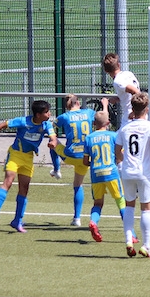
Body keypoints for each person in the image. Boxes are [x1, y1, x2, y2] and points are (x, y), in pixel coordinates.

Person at [0, 100, 58, 233]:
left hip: (28, 158)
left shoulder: (46, 124)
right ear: (38, 114)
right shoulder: (23, 121)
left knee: (24, 188)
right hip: (15, 154)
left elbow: (53, 137)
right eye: (46, 112)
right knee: (8, 181)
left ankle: (17, 220)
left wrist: (53, 142)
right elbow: (2, 125)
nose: (49, 114)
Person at [117, 91, 150, 258]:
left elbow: (117, 150)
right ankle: (146, 245)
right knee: (146, 207)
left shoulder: (125, 127)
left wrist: (122, 163)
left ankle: (128, 241)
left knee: (129, 205)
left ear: (132, 108)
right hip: (145, 173)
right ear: (147, 108)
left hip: (127, 172)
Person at [52, 94, 98, 226]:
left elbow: (51, 127)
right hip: (86, 157)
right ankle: (77, 219)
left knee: (53, 142)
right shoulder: (88, 112)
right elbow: (101, 118)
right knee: (78, 185)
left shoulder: (64, 116)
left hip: (70, 156)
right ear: (77, 102)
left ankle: (57, 169)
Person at [82, 111, 126, 243]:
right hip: (111, 173)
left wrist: (94, 164)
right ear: (108, 123)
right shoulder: (113, 136)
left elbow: (85, 161)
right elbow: (120, 155)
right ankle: (131, 234)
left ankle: (93, 222)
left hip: (96, 174)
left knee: (98, 203)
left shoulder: (89, 138)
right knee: (121, 201)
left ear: (94, 123)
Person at [101, 52, 140, 128]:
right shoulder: (128, 73)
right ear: (119, 65)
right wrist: (118, 98)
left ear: (106, 70)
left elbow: (135, 92)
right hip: (140, 115)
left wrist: (134, 112)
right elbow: (128, 94)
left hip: (131, 116)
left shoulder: (118, 81)